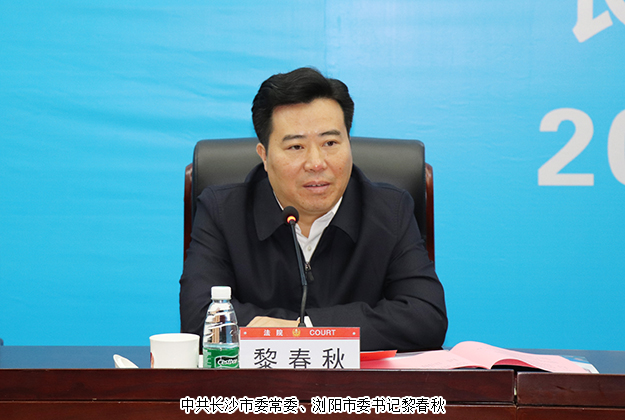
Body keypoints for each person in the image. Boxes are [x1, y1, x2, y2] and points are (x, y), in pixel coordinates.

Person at [179, 67, 447, 351]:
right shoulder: (223, 212)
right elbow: (200, 320)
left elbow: (425, 317)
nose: (316, 163)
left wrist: (305, 329)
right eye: (296, 147)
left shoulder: (390, 211)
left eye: (330, 143)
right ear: (264, 156)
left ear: (349, 144)